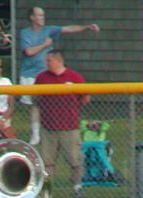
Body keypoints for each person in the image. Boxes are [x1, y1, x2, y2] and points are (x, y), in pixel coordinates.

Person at [18, 7, 99, 144]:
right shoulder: (25, 33)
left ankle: (46, 131)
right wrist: (45, 45)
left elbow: (68, 29)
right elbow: (29, 52)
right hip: (29, 74)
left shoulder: (49, 30)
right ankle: (36, 134)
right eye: (39, 15)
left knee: (47, 103)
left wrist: (86, 27)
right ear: (32, 17)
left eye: (43, 15)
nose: (42, 18)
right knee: (33, 105)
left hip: (45, 74)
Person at [35, 50, 89, 198]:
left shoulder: (74, 77)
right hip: (48, 127)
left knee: (74, 160)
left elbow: (85, 98)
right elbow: (36, 98)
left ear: (58, 61)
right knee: (48, 161)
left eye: (49, 61)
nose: (47, 64)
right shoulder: (42, 77)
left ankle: (77, 187)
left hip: (69, 127)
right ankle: (47, 190)